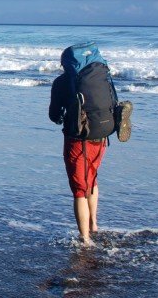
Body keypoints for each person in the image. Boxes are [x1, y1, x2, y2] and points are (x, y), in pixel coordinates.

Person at [48, 44, 114, 246]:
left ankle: (84, 240)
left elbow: (53, 115)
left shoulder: (61, 82)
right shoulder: (101, 78)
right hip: (102, 134)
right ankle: (94, 224)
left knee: (79, 190)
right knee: (91, 178)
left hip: (77, 138)